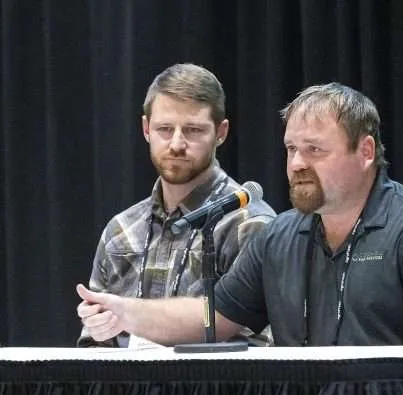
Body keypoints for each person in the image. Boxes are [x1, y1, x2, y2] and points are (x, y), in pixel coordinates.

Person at [76, 82, 403, 346]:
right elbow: (213, 317)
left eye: (315, 150)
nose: (297, 164)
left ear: (365, 152)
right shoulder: (281, 236)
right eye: (291, 149)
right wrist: (125, 311)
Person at [77, 63, 276, 347]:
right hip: (130, 391)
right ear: (146, 129)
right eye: (165, 129)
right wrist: (97, 323)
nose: (177, 144)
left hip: (211, 390)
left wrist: (128, 315)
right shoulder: (120, 229)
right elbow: (93, 348)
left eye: (193, 130)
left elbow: (259, 344)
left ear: (221, 132)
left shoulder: (248, 224)